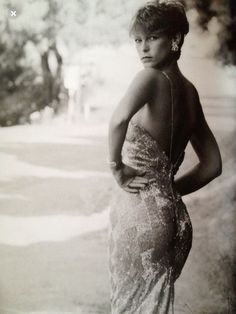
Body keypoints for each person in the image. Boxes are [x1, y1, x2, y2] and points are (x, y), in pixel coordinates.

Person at [107, 1, 222, 313]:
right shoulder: (190, 92)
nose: (143, 49)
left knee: (131, 305)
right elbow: (212, 165)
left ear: (175, 39)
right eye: (138, 40)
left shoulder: (149, 78)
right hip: (174, 220)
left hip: (140, 217)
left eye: (153, 37)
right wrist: (167, 191)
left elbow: (117, 121)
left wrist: (116, 169)